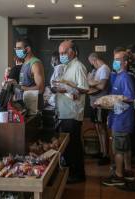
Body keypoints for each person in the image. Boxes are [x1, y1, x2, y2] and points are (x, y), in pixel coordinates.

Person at [55, 40, 89, 183]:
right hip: (64, 110)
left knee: (74, 145)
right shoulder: (66, 66)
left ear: (73, 51)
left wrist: (68, 89)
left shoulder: (78, 66)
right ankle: (71, 171)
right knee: (68, 145)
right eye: (60, 53)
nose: (61, 55)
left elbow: (85, 88)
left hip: (72, 112)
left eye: (64, 52)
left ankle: (78, 174)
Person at [101, 48, 135, 187]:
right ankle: (128, 171)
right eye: (114, 59)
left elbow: (130, 98)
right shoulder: (117, 76)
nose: (114, 62)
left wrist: (115, 98)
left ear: (125, 62)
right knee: (125, 147)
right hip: (117, 118)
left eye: (117, 60)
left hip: (122, 120)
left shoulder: (125, 77)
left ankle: (118, 176)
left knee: (119, 149)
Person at [87, 52, 110, 165]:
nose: (92, 65)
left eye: (92, 63)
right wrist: (91, 83)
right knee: (98, 128)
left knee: (102, 128)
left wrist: (91, 82)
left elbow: (101, 86)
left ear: (95, 60)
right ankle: (101, 151)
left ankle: (106, 154)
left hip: (101, 103)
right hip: (94, 103)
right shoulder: (98, 70)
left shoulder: (104, 69)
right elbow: (90, 85)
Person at [15, 38, 45, 109]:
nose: (17, 51)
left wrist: (22, 88)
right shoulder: (25, 63)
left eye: (19, 48)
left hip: (35, 107)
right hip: (26, 105)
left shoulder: (35, 64)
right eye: (16, 48)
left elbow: (41, 89)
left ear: (28, 49)